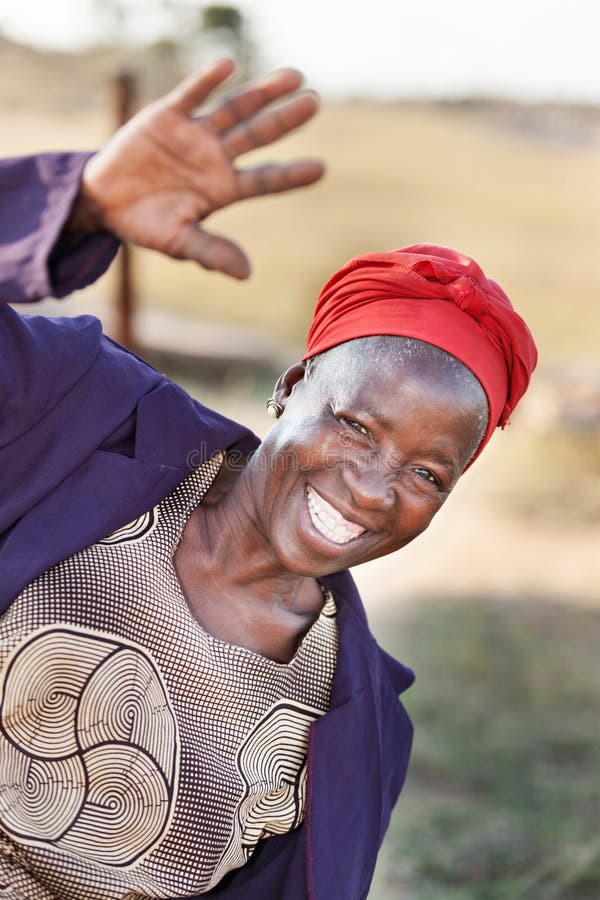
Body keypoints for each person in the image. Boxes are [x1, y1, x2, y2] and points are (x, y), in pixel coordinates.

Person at [0, 60, 537, 899]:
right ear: (291, 387)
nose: (370, 489)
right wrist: (76, 206)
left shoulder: (349, 733)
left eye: (428, 472)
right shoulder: (76, 416)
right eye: (356, 425)